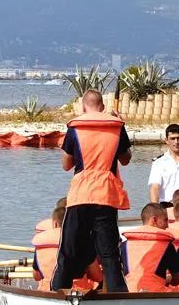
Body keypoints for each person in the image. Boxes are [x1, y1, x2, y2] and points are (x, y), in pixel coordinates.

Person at [50, 89, 132, 293]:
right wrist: (120, 125)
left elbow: (66, 165)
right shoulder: (116, 126)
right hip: (105, 195)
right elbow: (126, 159)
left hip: (80, 195)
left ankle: (58, 290)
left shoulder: (75, 127)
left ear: (83, 106)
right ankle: (117, 293)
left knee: (68, 248)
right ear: (102, 107)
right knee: (109, 253)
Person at [122, 203, 179, 292]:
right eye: (165, 220)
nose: (167, 226)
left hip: (129, 294)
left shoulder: (124, 245)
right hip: (156, 294)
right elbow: (177, 279)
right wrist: (168, 280)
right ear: (154, 220)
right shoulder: (167, 245)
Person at [32, 206, 101, 292]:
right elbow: (97, 277)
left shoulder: (40, 246)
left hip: (49, 292)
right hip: (79, 292)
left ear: (54, 224)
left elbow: (36, 277)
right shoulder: (83, 241)